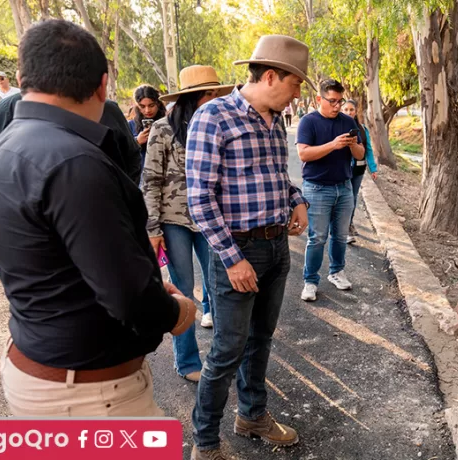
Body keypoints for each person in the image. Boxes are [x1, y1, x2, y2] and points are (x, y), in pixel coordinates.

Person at [0, 19, 195, 417]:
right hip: (89, 395)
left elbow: (16, 252)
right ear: (102, 85)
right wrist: (177, 312)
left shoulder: (2, 148)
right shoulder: (76, 163)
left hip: (39, 365)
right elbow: (131, 301)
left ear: (24, 78)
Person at [185, 35, 311, 460]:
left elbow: (279, 177)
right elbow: (199, 197)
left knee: (261, 339)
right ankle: (205, 441)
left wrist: (297, 201)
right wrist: (232, 257)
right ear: (271, 76)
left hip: (277, 249)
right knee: (226, 349)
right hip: (237, 252)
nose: (298, 94)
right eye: (295, 85)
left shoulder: (276, 120)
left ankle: (253, 415)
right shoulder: (213, 117)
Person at [144, 65, 234, 381]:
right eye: (210, 94)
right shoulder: (162, 130)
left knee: (220, 288)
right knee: (183, 290)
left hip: (210, 219)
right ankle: (187, 362)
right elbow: (150, 180)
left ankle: (225, 358)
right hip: (174, 221)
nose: (215, 99)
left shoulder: (218, 126)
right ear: (194, 97)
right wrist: (153, 228)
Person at [0, 78, 142, 184]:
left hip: (102, 211)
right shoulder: (14, 105)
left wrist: (126, 195)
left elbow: (131, 154)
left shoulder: (107, 109)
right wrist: (1, 193)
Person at [295, 79, 364, 301]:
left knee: (340, 235)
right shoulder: (308, 122)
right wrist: (333, 145)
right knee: (317, 237)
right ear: (319, 99)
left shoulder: (347, 121)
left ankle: (336, 272)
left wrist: (352, 144)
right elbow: (304, 154)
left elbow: (360, 155)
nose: (336, 106)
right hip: (316, 188)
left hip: (344, 187)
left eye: (339, 101)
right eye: (332, 101)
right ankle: (310, 280)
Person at [340, 99, 378, 244]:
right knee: (346, 199)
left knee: (353, 198)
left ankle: (349, 224)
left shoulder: (362, 129)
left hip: (359, 170)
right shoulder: (339, 126)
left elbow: (368, 149)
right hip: (343, 170)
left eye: (351, 110)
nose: (349, 112)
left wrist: (373, 168)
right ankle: (344, 228)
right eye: (346, 110)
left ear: (356, 111)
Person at [129, 85, 167, 178]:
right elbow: (123, 152)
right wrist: (137, 141)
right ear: (137, 106)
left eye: (151, 105)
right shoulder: (131, 125)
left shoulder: (168, 123)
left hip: (165, 175)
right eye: (142, 106)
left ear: (158, 103)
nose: (147, 110)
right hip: (141, 175)